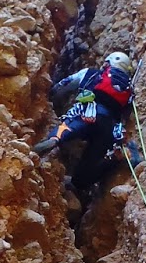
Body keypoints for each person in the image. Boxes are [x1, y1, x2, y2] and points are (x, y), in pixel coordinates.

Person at [34, 51, 136, 191]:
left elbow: (64, 85)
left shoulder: (92, 73)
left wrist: (50, 96)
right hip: (109, 127)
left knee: (69, 126)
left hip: (88, 112)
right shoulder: (128, 89)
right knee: (91, 161)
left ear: (108, 63)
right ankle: (80, 182)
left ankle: (55, 139)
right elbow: (127, 115)